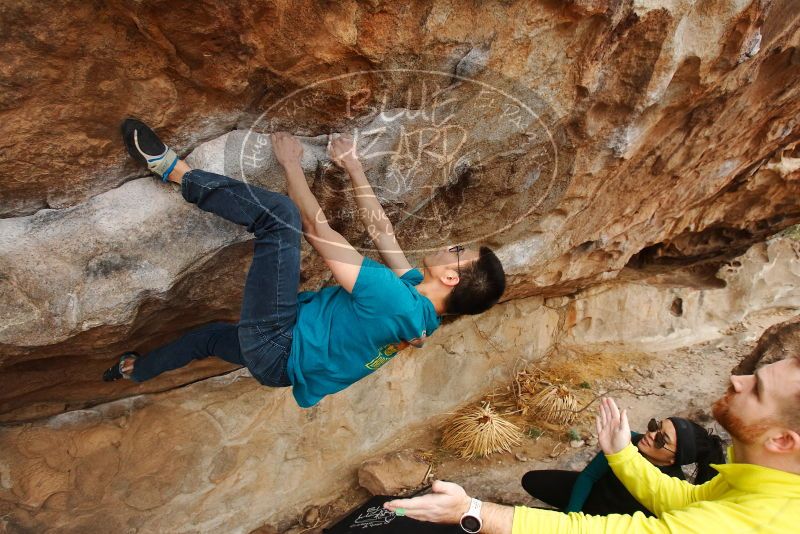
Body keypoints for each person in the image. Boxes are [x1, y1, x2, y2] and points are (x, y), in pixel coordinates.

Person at [102, 120, 506, 408]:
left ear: (451, 276)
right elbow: (383, 234)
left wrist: (291, 163)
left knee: (279, 219)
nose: (452, 246)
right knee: (207, 338)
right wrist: (353, 166)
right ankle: (134, 370)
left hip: (278, 342)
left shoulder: (393, 302)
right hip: (281, 367)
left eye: (458, 251)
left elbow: (315, 226)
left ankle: (175, 172)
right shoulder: (421, 312)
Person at [383, 354, 800, 533]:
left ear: (782, 440)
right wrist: (620, 452)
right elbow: (685, 501)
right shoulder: (759, 483)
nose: (738, 379)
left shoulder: (759, 520)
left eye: (757, 388)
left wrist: (473, 511)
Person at [521, 415, 725, 516]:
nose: (651, 435)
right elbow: (589, 476)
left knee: (519, 522)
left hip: (609, 521)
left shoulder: (673, 487)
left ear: (673, 460)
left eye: (661, 440)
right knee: (532, 480)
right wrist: (571, 513)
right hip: (596, 494)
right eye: (655, 426)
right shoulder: (628, 440)